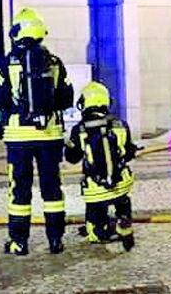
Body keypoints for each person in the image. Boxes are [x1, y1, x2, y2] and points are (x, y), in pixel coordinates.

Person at [0, 8, 74, 255]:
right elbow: (66, 98)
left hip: (18, 138)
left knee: (19, 189)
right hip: (50, 136)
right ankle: (55, 240)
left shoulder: (6, 64)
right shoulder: (55, 62)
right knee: (52, 189)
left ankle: (19, 242)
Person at [64, 81, 138, 251]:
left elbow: (71, 158)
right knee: (123, 201)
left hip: (95, 189)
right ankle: (123, 220)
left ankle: (99, 230)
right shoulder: (120, 124)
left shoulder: (80, 129)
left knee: (95, 227)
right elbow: (128, 154)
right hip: (122, 184)